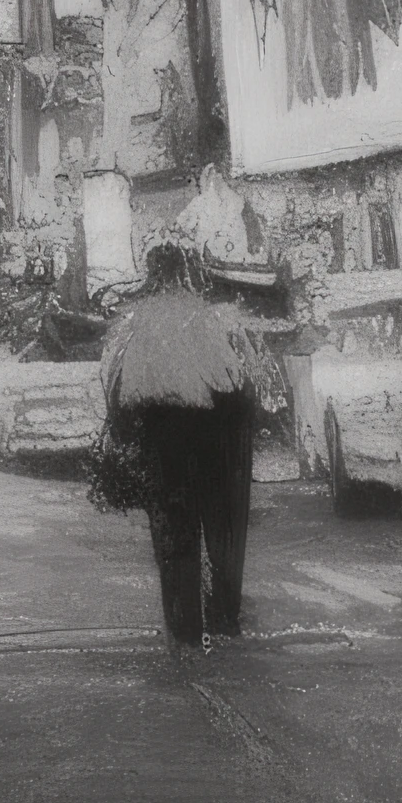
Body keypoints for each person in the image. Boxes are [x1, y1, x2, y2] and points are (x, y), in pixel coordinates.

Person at [97, 245, 258, 652]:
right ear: (187, 273)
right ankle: (223, 618)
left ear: (150, 274)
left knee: (173, 535)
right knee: (221, 529)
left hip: (161, 440)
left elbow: (113, 386)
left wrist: (125, 437)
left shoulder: (134, 324)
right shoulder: (207, 317)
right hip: (212, 435)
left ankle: (185, 629)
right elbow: (237, 381)